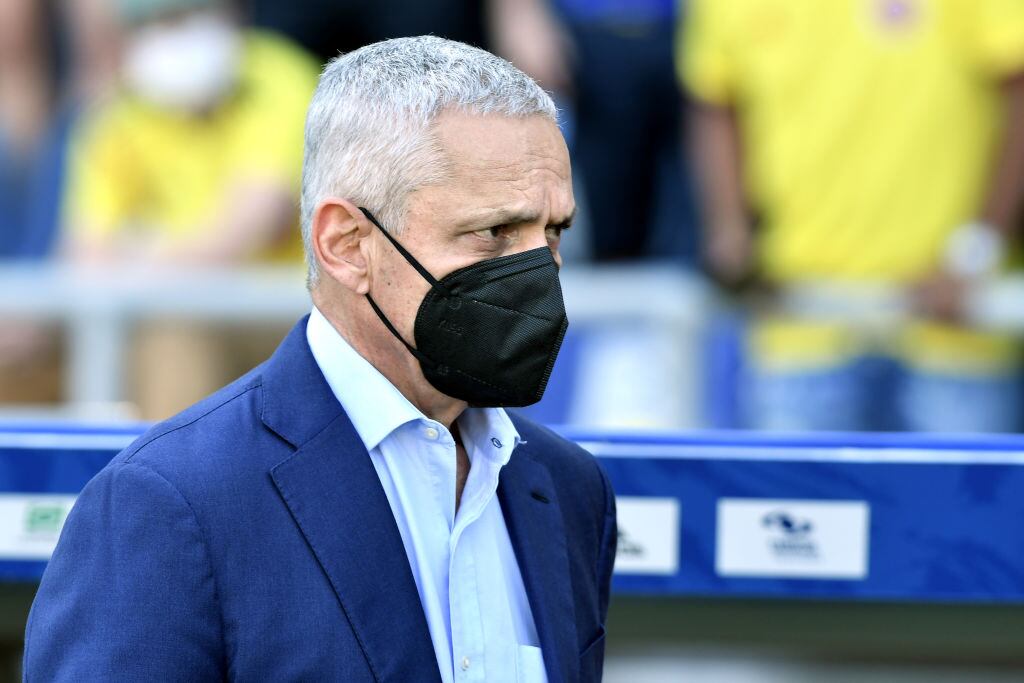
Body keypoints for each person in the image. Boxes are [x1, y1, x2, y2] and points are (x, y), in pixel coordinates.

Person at [24, 36, 617, 682]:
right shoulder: (169, 504)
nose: (537, 270)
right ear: (346, 244)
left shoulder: (567, 490)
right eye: (493, 232)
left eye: (552, 232)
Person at [682, 0, 1024, 431]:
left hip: (957, 327)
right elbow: (715, 100)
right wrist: (730, 235)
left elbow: (1018, 90)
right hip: (798, 318)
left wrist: (974, 253)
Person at [62, 0, 319, 419]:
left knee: (174, 327)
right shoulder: (116, 112)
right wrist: (171, 263)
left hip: (291, 314)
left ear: (228, 14)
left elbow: (246, 230)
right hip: (166, 309)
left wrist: (141, 254)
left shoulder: (277, 76)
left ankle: (170, 478)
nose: (167, 35)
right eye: (150, 23)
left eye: (181, 18)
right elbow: (85, 260)